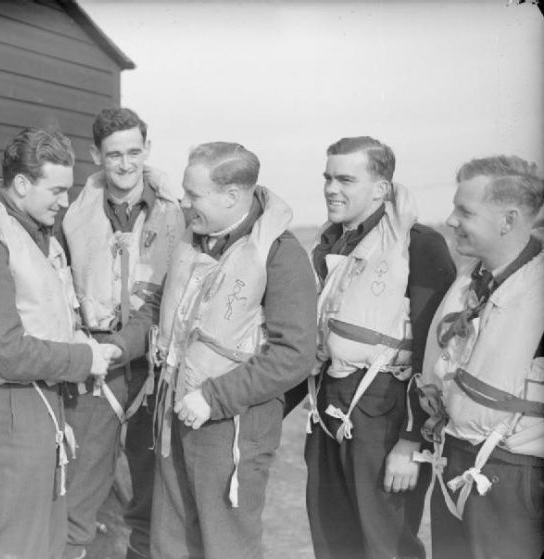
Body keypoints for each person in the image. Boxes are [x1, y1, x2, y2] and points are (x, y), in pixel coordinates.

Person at [125, 141, 317, 559]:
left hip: (230, 429)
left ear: (232, 196)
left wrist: (214, 398)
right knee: (171, 542)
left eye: (194, 195)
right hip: (174, 416)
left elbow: (295, 354)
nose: (184, 202)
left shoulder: (282, 256)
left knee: (225, 545)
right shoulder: (193, 241)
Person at [0, 127, 117, 559]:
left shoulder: (36, 234)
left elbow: (45, 318)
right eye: (56, 190)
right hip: (6, 411)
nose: (64, 201)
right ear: (21, 184)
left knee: (45, 544)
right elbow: (6, 352)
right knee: (14, 547)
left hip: (42, 405)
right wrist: (84, 358)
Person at [304, 136, 456, 559]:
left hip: (386, 414)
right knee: (332, 536)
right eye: (328, 178)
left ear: (381, 189)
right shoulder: (333, 244)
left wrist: (412, 440)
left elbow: (434, 351)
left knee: (385, 543)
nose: (332, 188)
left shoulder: (419, 245)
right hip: (328, 405)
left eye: (345, 179)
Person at [60, 108, 185, 559]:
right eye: (114, 155)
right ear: (96, 155)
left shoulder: (178, 213)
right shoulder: (73, 216)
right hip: (98, 368)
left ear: (147, 150)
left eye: (135, 152)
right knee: (78, 493)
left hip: (154, 367)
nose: (126, 164)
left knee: (153, 500)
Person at [414, 155, 544, 559]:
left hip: (514, 476)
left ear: (507, 220)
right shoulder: (474, 280)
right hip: (456, 458)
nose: (451, 220)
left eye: (464, 211)